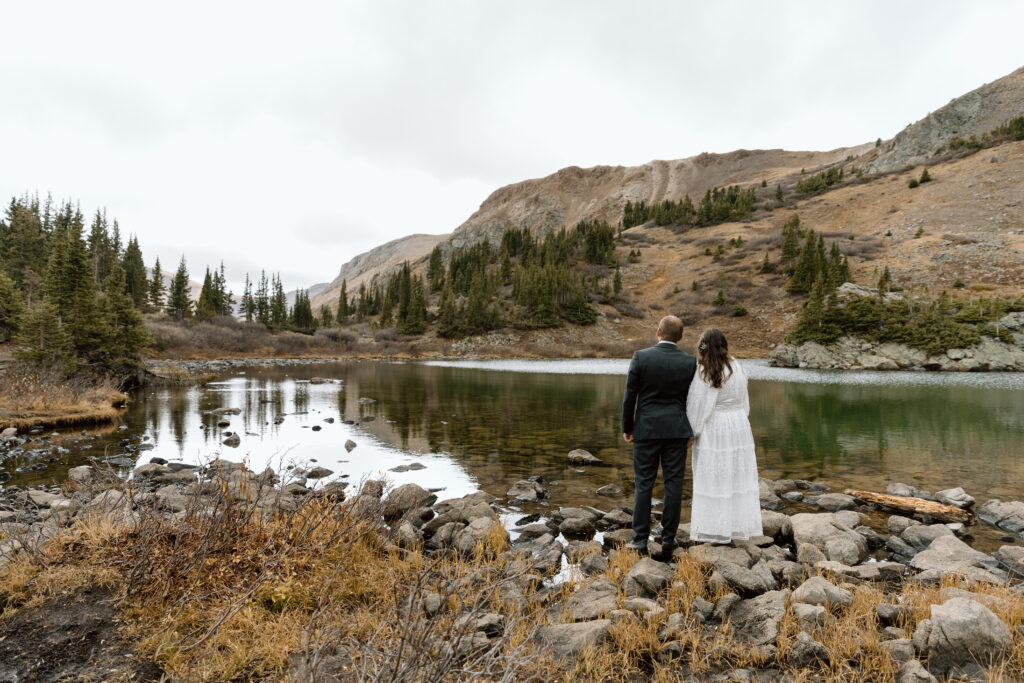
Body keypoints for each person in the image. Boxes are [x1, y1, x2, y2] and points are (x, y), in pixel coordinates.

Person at [621, 315, 696, 561]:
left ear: (658, 332)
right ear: (681, 337)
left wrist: (628, 427)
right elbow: (692, 401)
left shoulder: (641, 357)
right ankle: (668, 539)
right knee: (674, 483)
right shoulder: (689, 362)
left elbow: (629, 396)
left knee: (644, 482)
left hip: (647, 430)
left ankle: (639, 539)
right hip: (676, 431)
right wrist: (690, 430)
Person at [686, 328, 763, 544]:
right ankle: (737, 526)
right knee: (736, 475)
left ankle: (714, 528)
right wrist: (740, 420)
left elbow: (698, 405)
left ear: (704, 347)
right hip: (739, 424)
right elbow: (744, 400)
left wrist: (692, 432)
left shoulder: (705, 370)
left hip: (716, 427)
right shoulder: (737, 366)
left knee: (715, 476)